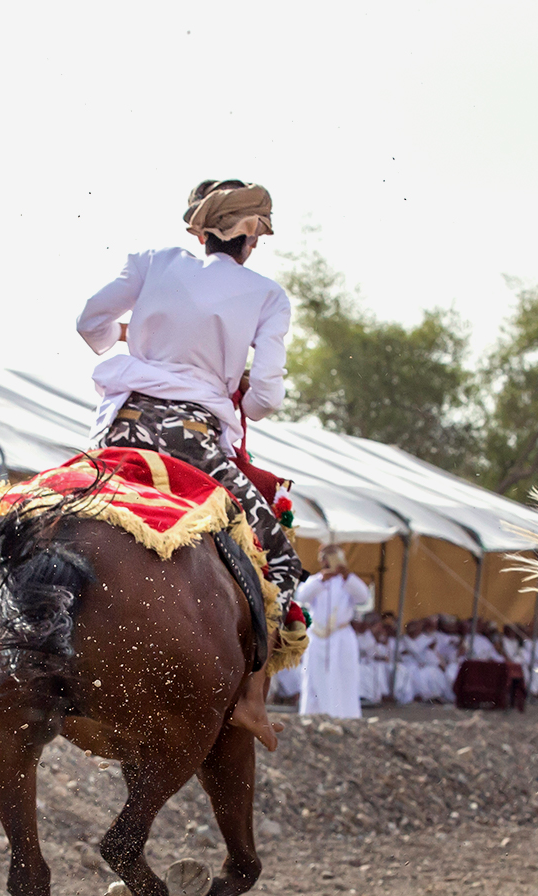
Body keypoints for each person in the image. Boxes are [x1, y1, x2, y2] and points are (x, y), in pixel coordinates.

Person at [76, 178, 299, 750]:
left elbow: (88, 323)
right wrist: (236, 390)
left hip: (118, 429)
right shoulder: (266, 295)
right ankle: (250, 702)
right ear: (251, 242)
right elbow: (267, 398)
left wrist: (125, 337)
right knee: (277, 554)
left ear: (200, 233)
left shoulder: (152, 263)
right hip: (192, 439)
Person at [295, 546, 369, 718]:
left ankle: (344, 715)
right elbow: (302, 596)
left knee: (342, 678)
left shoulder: (348, 581)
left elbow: (363, 597)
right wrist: (322, 579)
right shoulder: (316, 580)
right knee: (314, 678)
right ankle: (313, 715)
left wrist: (347, 577)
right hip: (318, 636)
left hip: (340, 636)